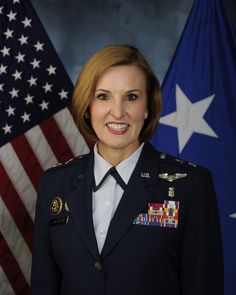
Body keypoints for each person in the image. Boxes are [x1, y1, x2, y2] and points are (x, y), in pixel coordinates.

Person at [31, 44, 224, 295]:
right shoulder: (54, 184)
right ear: (87, 106)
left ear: (147, 108)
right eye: (103, 96)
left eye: (131, 97)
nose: (118, 112)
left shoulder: (191, 186)